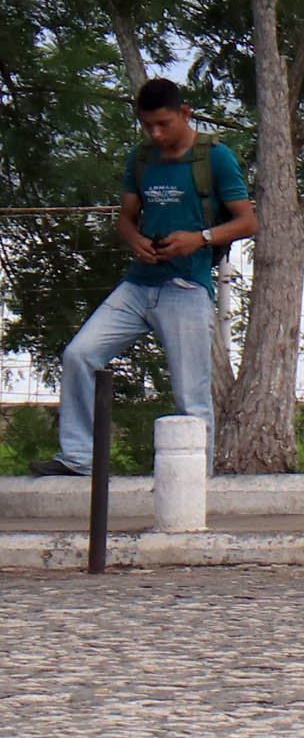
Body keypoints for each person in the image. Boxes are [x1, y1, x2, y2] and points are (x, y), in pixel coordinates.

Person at [34, 80, 253, 479]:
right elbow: (125, 218)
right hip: (138, 285)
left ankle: (194, 483)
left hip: (186, 288)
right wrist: (135, 241)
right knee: (80, 355)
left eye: (163, 124)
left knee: (191, 393)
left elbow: (247, 221)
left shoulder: (215, 158)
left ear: (184, 114)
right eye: (147, 125)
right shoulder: (140, 158)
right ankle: (79, 458)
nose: (156, 133)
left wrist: (198, 239)